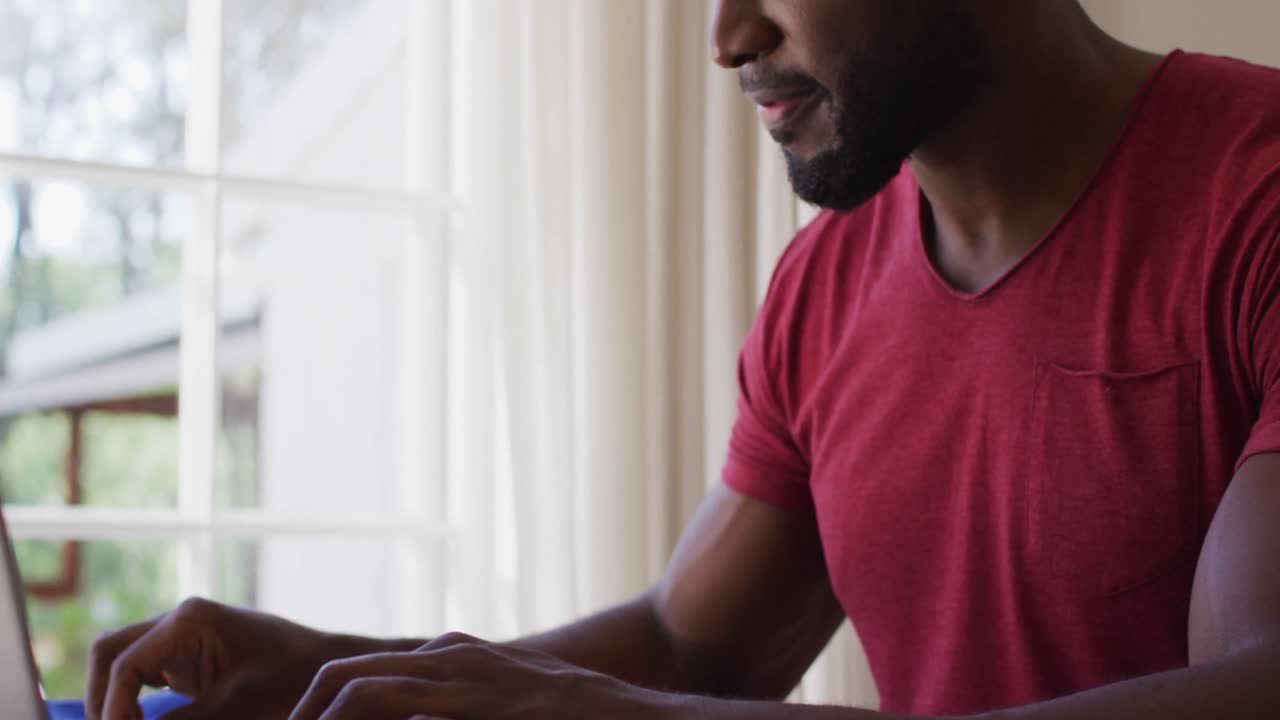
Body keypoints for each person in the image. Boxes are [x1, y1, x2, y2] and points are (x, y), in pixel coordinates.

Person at [87, 1, 1280, 718]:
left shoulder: (1252, 198)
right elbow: (687, 646)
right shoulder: (825, 284)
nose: (726, 37)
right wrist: (331, 668)